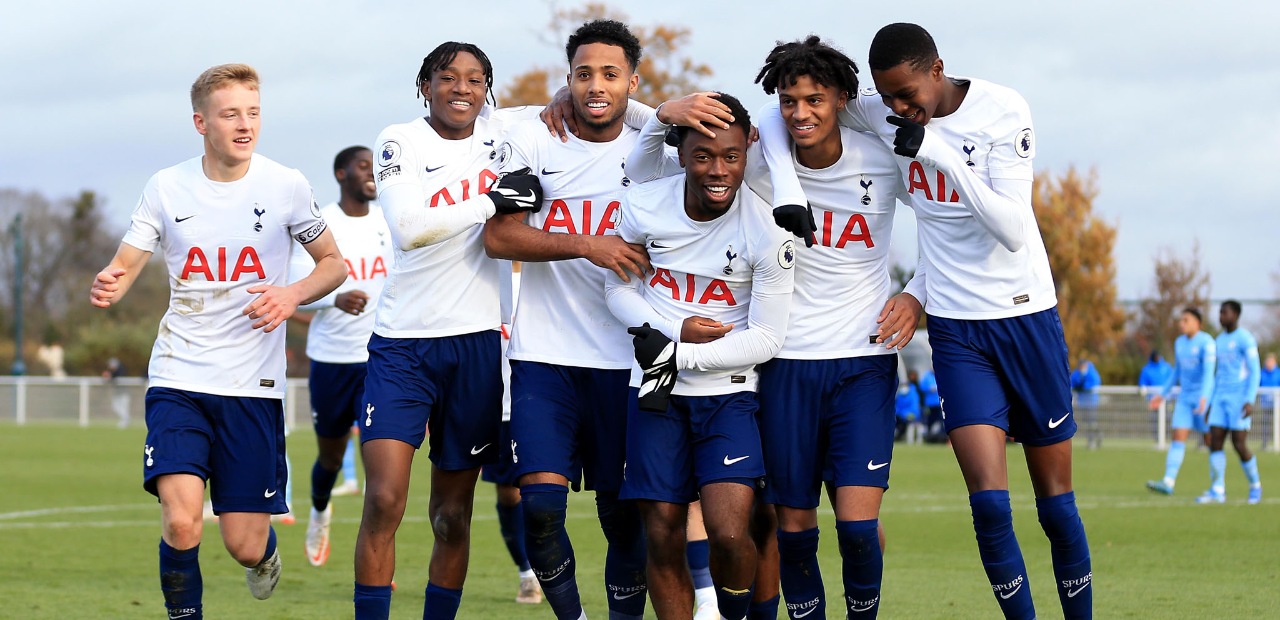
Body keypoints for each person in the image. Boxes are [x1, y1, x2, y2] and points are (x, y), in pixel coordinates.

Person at [757, 23, 1092, 619]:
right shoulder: (881, 114)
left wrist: (940, 151)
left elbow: (1014, 229)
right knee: (989, 507)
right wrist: (786, 184)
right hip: (957, 330)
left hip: (1025, 315)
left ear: (937, 70)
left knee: (1055, 506)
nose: (898, 110)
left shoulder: (1003, 109)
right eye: (886, 98)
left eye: (908, 95)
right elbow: (787, 115)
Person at [624, 36, 922, 618]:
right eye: (789, 100)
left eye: (815, 99)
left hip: (864, 360)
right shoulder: (750, 159)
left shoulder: (880, 158)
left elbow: (945, 221)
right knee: (792, 531)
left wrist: (918, 293)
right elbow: (664, 164)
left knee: (859, 530)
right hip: (782, 365)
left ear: (841, 98)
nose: (801, 112)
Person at [89, 63, 346, 619]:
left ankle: (263, 555)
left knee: (242, 543)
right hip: (179, 376)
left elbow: (333, 264)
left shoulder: (286, 186)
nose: (245, 124)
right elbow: (129, 258)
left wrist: (290, 295)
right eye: (231, 114)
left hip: (252, 387)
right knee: (182, 522)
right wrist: (113, 278)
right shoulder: (166, 185)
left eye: (253, 112)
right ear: (201, 122)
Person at [482, 20, 669, 620]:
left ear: (632, 82)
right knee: (539, 508)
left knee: (621, 515)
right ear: (566, 80)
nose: (596, 86)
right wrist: (588, 245)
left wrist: (654, 113)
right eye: (583, 74)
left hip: (628, 364)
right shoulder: (535, 139)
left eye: (610, 75)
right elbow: (499, 234)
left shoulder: (658, 148)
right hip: (544, 358)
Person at [353, 42, 546, 620]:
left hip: (479, 347)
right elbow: (410, 228)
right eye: (448, 77)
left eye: (475, 78)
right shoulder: (401, 140)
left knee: (452, 516)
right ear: (425, 85)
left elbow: (583, 103)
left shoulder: (506, 134)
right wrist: (491, 201)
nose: (461, 87)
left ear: (488, 88)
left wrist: (664, 113)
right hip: (403, 346)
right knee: (384, 500)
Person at [606, 92, 795, 620]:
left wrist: (675, 353)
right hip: (654, 397)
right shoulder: (644, 204)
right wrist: (671, 328)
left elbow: (766, 339)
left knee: (730, 534)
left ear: (747, 153)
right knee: (662, 534)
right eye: (704, 156)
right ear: (681, 154)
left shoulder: (769, 228)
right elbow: (616, 290)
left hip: (728, 396)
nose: (718, 170)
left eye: (731, 156)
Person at [289, 145, 392, 568]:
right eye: (364, 166)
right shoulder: (322, 223)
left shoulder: (390, 220)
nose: (373, 174)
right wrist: (333, 298)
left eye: (376, 167)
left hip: (383, 359)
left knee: (383, 468)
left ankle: (378, 561)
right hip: (332, 360)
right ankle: (319, 513)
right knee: (330, 458)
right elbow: (297, 289)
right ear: (341, 173)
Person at [481, 261, 543, 605]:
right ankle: (527, 573)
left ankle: (554, 569)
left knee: (545, 492)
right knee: (509, 495)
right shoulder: (484, 275)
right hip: (497, 409)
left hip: (541, 404)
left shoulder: (548, 273)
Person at [1147, 308, 1215, 496]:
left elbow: (1209, 373)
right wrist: (1162, 395)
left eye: (1186, 320)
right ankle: (1168, 481)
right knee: (1178, 437)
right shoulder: (1180, 343)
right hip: (1185, 399)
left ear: (1197, 323)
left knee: (1212, 442)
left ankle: (1218, 485)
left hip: (1204, 398)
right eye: (1181, 320)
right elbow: (1176, 373)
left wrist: (1204, 397)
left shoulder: (1207, 342)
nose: (1181, 323)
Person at [1200, 300, 1263, 504]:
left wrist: (1249, 399)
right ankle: (1218, 489)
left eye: (1224, 313)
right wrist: (1210, 402)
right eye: (1219, 313)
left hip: (1239, 398)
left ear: (1235, 315)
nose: (1221, 316)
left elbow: (1255, 371)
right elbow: (1218, 374)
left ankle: (1255, 485)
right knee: (1214, 440)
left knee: (1238, 443)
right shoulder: (1218, 341)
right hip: (1220, 398)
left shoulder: (1245, 339)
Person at [1070, 359, 1102, 449]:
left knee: (1091, 422)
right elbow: (1071, 383)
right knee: (1087, 422)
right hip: (1082, 402)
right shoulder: (1076, 374)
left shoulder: (1092, 373)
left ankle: (1091, 440)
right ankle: (1097, 435)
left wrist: (1082, 386)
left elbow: (1093, 384)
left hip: (1091, 402)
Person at [103, 357, 132, 429]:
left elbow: (116, 378)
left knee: (124, 407)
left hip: (124, 393)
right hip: (117, 394)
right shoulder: (112, 373)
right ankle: (126, 419)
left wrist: (110, 377)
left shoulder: (121, 371)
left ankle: (125, 421)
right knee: (115, 407)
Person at [920, 367, 944, 441]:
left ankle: (941, 436)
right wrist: (929, 388)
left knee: (941, 420)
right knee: (929, 421)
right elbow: (922, 387)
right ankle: (928, 437)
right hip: (930, 404)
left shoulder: (940, 375)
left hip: (939, 403)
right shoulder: (927, 376)